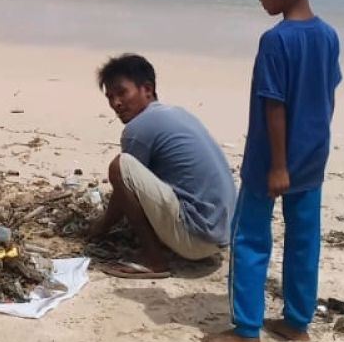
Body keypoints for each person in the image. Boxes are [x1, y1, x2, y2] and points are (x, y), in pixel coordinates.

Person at [203, 0, 341, 342]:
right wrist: (310, 147)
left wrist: (278, 164)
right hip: (313, 155)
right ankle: (297, 321)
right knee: (304, 239)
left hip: (271, 161)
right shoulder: (328, 35)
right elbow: (328, 93)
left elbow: (274, 104)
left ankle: (246, 330)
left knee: (249, 238)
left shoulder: (277, 40)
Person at [87, 54, 236, 279]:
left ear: (147, 89)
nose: (116, 103)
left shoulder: (139, 127)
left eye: (122, 93)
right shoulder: (177, 113)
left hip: (197, 240)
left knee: (120, 166)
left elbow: (123, 189)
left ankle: (153, 260)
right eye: (110, 96)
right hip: (225, 235)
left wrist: (99, 228)